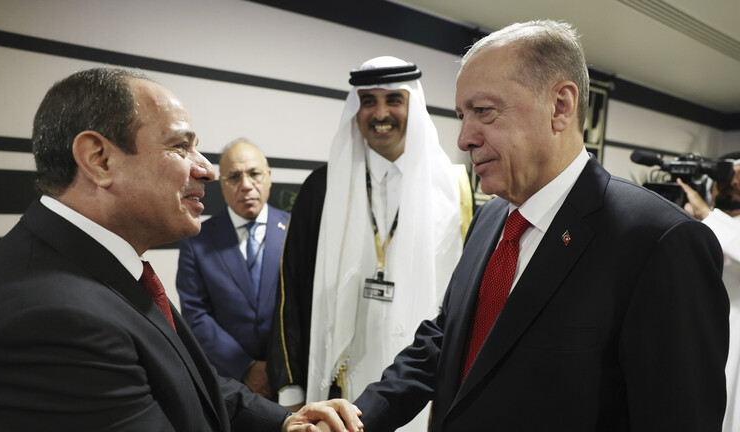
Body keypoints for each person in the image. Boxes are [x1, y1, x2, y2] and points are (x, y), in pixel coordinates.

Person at [350, 20, 729, 431]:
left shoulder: (660, 242)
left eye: (483, 111)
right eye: (462, 115)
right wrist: (354, 419)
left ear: (560, 106)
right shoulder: (490, 218)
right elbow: (448, 338)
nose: (463, 138)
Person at [0, 67, 361, 432]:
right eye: (181, 146)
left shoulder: (95, 263)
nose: (207, 170)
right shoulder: (55, 320)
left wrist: (286, 421)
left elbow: (183, 379)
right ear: (99, 160)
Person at [267, 56, 472, 431]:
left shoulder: (453, 189)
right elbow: (290, 293)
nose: (380, 113)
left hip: (423, 391)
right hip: (339, 387)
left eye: (394, 99)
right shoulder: (322, 189)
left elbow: (464, 303)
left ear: (413, 105)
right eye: (368, 101)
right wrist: (291, 389)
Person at [176, 139, 289, 398]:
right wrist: (246, 367)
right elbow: (196, 314)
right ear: (221, 183)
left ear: (269, 176)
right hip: (230, 384)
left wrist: (284, 368)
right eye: (234, 177)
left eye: (254, 174)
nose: (246, 185)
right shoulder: (197, 240)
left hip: (293, 379)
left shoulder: (297, 231)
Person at [677, 153, 740, 432]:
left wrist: (708, 216)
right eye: (725, 175)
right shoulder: (691, 224)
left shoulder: (714, 222)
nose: (733, 182)